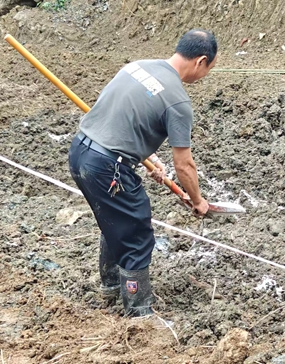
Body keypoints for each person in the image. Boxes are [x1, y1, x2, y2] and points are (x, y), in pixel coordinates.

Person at [68, 29, 218, 317]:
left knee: (115, 221)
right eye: (209, 68)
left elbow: (120, 117)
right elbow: (184, 164)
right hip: (108, 167)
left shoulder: (136, 67)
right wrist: (197, 200)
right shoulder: (178, 102)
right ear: (201, 61)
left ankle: (111, 286)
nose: (206, 74)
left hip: (80, 151)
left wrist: (149, 157)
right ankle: (139, 314)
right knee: (136, 232)